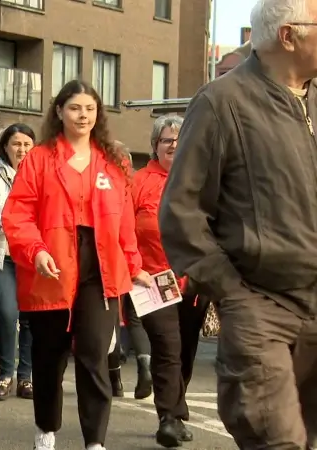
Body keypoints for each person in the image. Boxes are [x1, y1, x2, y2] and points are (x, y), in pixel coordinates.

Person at [159, 1, 317, 447]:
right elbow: (180, 211)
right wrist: (231, 292)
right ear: (288, 36)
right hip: (260, 306)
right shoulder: (221, 103)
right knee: (277, 440)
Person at [2, 80, 151, 450]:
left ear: (97, 114)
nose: (82, 115)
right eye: (74, 108)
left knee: (94, 355)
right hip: (51, 267)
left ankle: (95, 442)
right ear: (59, 112)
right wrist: (35, 250)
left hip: (100, 270)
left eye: (89, 108)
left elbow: (125, 223)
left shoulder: (114, 162)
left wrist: (134, 265)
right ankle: (46, 429)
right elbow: (17, 213)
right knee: (49, 356)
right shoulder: (38, 159)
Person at [133, 114, 209, 448]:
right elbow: (122, 231)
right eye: (167, 140)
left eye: (179, 140)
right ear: (155, 146)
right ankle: (169, 417)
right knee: (167, 345)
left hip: (193, 279)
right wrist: (135, 269)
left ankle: (176, 405)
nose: (173, 146)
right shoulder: (138, 182)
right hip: (151, 280)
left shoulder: (202, 182)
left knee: (186, 348)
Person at [0, 123, 36, 401]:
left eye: (27, 144)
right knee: (7, 313)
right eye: (16, 144)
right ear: (5, 147)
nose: (22, 149)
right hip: (2, 256)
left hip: (32, 258)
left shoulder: (41, 178)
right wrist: (9, 223)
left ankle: (26, 377)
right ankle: (5, 374)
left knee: (29, 319)